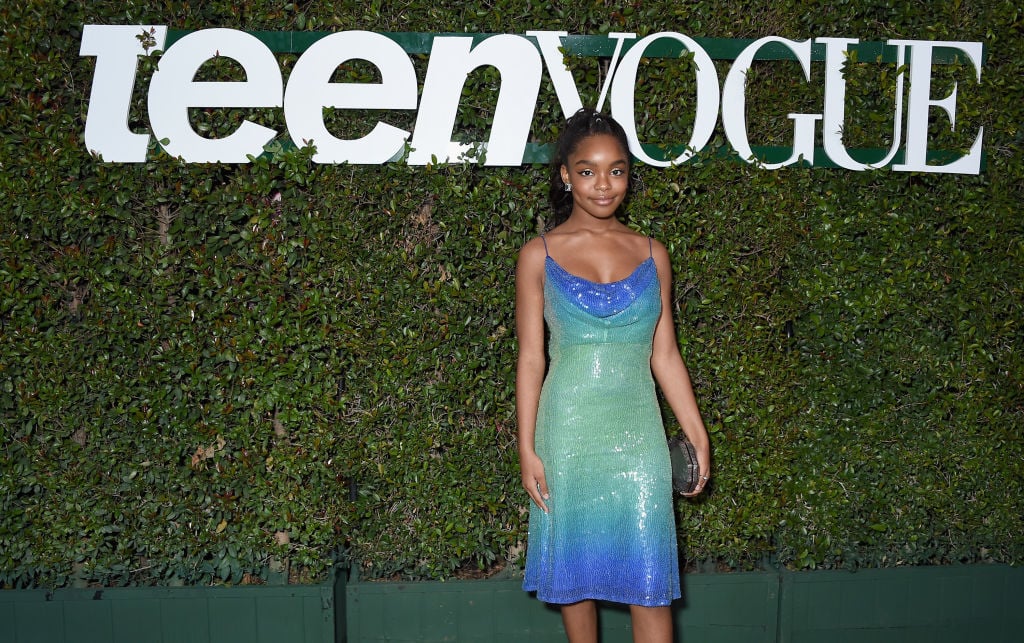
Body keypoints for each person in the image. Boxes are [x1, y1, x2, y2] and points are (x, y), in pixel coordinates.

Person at [515, 108, 712, 643]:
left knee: (650, 583)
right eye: (588, 171)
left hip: (638, 437)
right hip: (567, 434)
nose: (603, 184)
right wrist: (527, 447)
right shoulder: (538, 255)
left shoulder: (653, 254)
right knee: (574, 581)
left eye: (616, 170)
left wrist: (696, 433)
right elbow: (531, 358)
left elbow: (665, 354)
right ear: (565, 175)